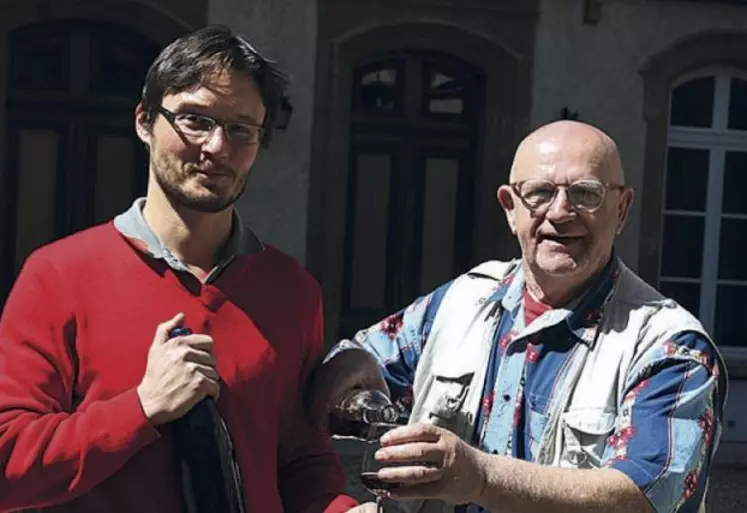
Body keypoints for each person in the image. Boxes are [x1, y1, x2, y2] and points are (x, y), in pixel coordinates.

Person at [0, 26, 357, 513]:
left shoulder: (293, 291)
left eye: (240, 129)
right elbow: (9, 464)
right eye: (194, 120)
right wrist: (142, 407)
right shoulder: (57, 276)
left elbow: (302, 463)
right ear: (145, 121)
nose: (216, 148)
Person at [312, 120, 727, 513]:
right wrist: (350, 366)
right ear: (510, 208)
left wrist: (479, 478)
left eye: (586, 193)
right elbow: (358, 368)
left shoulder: (670, 346)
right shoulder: (460, 302)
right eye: (540, 192)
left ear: (621, 210)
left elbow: (646, 497)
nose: (560, 212)